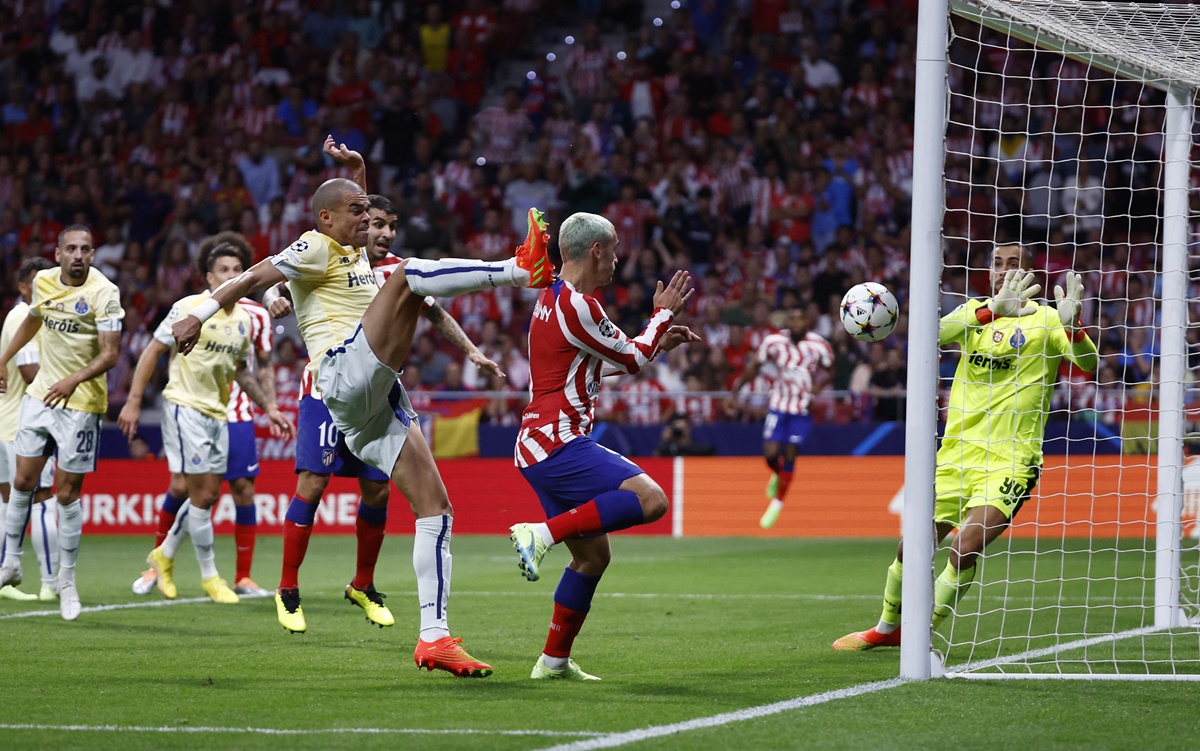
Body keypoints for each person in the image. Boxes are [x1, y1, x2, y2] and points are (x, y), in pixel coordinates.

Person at [171, 136, 552, 678]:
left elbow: (354, 204)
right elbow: (254, 276)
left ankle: (434, 639)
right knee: (407, 275)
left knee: (437, 511)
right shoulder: (314, 245)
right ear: (326, 218)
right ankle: (521, 269)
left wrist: (359, 168)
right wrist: (200, 313)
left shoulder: (348, 248)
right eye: (357, 212)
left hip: (374, 396)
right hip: (340, 375)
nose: (368, 218)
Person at [261, 192, 503, 634]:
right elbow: (283, 274)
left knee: (377, 492)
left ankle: (363, 585)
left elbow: (437, 314)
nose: (385, 233)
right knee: (312, 485)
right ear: (357, 225)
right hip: (324, 391)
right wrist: (273, 291)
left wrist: (472, 351)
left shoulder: (395, 269)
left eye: (391, 225)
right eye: (376, 223)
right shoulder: (332, 255)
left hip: (378, 391)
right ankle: (288, 589)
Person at [833, 243, 1096, 650]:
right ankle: (885, 629)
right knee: (912, 546)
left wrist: (1074, 327)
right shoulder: (973, 314)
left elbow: (1088, 365)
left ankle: (919, 633)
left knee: (965, 543)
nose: (1004, 271)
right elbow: (930, 335)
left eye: (1014, 265)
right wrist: (993, 310)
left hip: (1012, 458)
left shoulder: (1048, 320)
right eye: (998, 264)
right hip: (956, 454)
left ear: (1030, 274)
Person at [508, 211, 700, 680]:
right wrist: (662, 315)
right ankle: (542, 533)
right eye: (613, 249)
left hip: (537, 444)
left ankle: (552, 661)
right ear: (596, 250)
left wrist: (656, 345)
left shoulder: (552, 298)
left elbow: (593, 366)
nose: (617, 259)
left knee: (594, 557)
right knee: (651, 500)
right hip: (557, 442)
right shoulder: (580, 306)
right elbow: (631, 359)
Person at [118, 242, 293, 604]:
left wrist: (269, 407)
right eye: (224, 271)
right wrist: (133, 403)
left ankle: (164, 556)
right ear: (209, 277)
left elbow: (242, 372)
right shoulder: (188, 308)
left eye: (238, 271)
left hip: (219, 413)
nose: (232, 277)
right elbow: (153, 350)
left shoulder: (244, 320)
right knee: (199, 493)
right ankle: (211, 577)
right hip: (185, 407)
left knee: (208, 495)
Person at [0, 225, 125, 621]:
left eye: (85, 249)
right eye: (70, 248)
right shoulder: (44, 283)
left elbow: (110, 355)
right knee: (22, 481)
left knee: (66, 494)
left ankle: (66, 581)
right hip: (40, 397)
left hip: (82, 403)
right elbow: (34, 320)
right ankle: (12, 563)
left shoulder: (104, 293)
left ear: (92, 254)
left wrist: (72, 380)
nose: (77, 255)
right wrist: (3, 357)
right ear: (57, 254)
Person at [726, 308, 832, 529]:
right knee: (771, 455)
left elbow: (831, 369)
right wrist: (736, 389)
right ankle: (779, 473)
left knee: (791, 451)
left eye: (799, 318)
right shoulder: (774, 342)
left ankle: (778, 502)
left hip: (801, 409)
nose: (795, 323)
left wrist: (817, 388)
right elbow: (754, 366)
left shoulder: (819, 345)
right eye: (791, 319)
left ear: (807, 321)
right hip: (778, 406)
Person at [0, 258, 59, 602]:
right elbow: (29, 373)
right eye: (37, 282)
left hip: (7, 421)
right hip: (25, 425)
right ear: (23, 288)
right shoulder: (27, 317)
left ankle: (5, 577)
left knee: (8, 502)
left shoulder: (13, 315)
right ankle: (50, 582)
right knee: (41, 498)